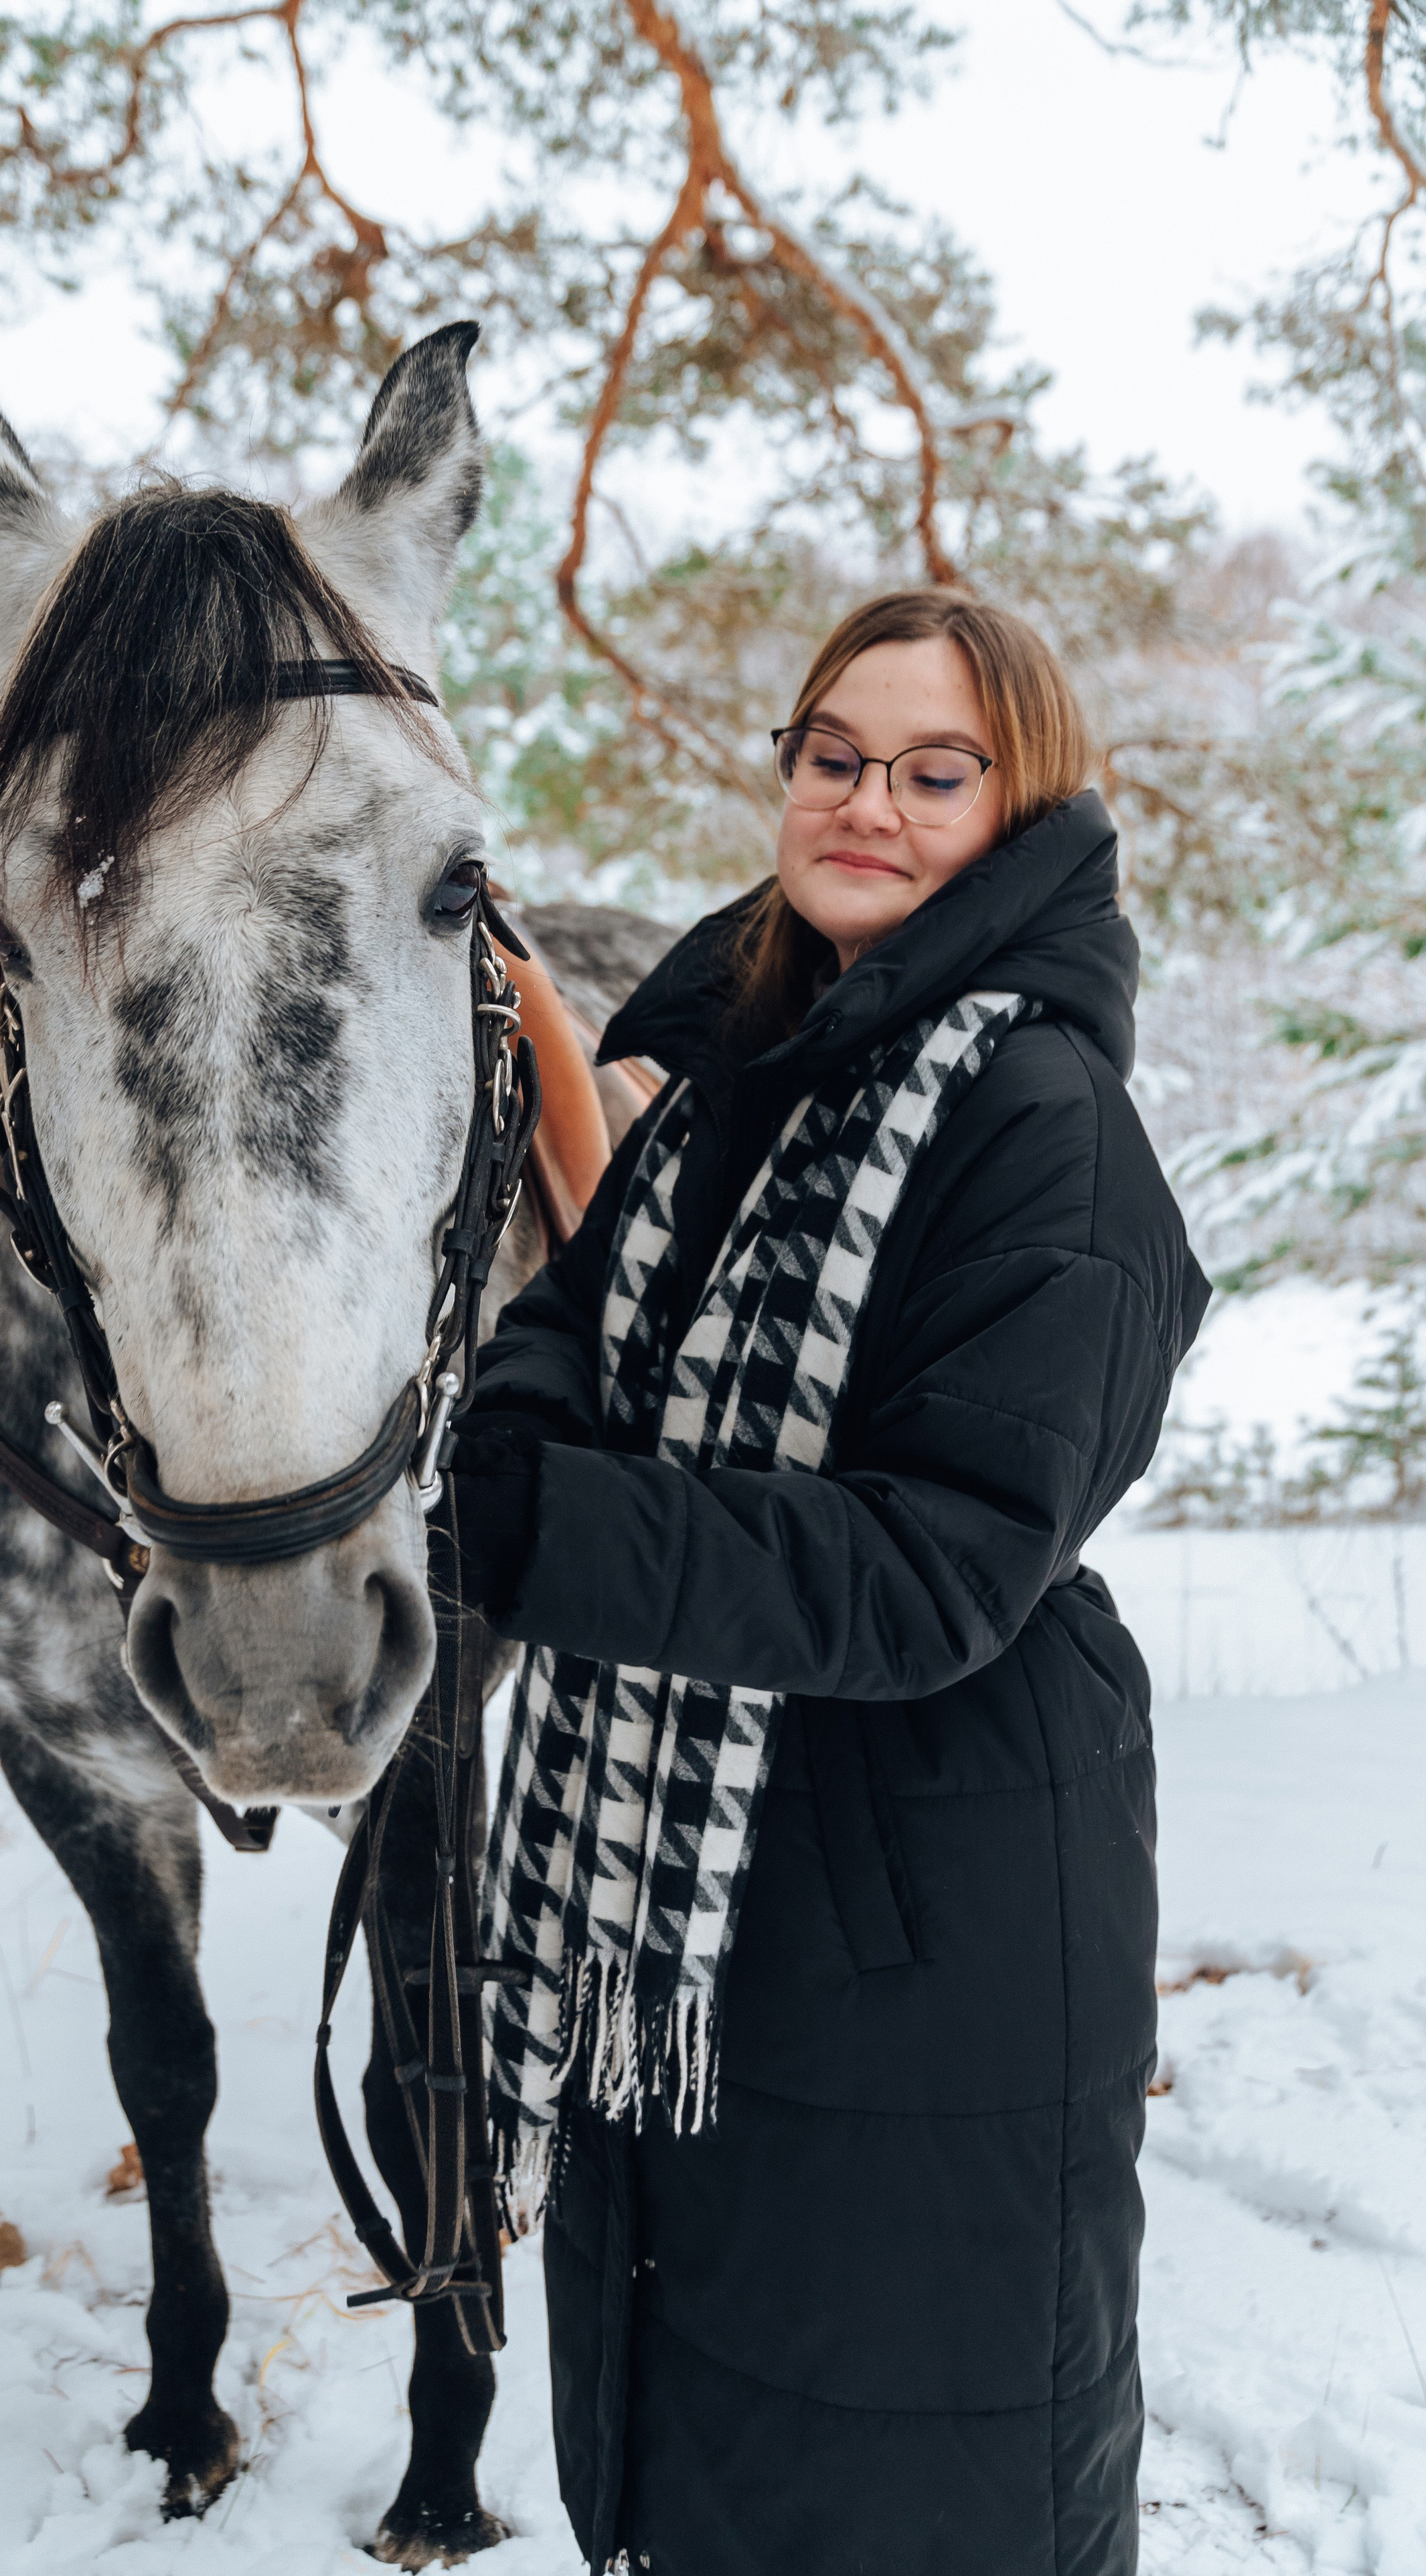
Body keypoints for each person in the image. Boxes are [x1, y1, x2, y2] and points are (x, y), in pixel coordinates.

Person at [447, 587, 1209, 2576]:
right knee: (710, 2425)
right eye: (835, 755)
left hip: (924, 1899)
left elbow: (942, 1560)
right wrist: (503, 1459)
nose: (870, 801)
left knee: (904, 2465)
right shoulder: (725, 1086)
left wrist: (541, 1533)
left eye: (936, 770)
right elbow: (564, 1340)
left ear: (1021, 803)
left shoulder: (1045, 1129)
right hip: (694, 1889)